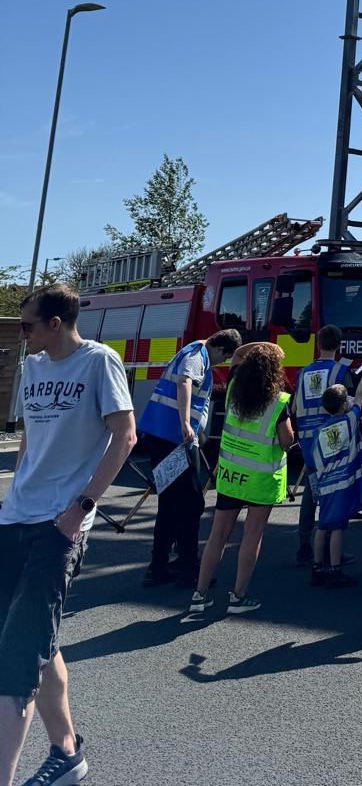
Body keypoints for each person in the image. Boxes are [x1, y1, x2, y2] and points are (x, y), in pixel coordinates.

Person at [0, 283, 136, 786]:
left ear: (55, 324)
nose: (22, 333)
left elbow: (125, 436)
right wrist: (12, 497)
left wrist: (81, 508)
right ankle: (67, 754)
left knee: (14, 662)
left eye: (28, 324)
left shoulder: (99, 363)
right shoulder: (31, 367)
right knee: (35, 639)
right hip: (15, 517)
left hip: (60, 525)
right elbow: (30, 442)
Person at [187, 342, 294, 620]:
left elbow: (236, 355)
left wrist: (264, 346)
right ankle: (238, 595)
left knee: (218, 535)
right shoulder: (278, 401)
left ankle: (200, 594)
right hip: (260, 480)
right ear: (273, 373)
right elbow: (286, 441)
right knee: (252, 536)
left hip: (231, 475)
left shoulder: (234, 388)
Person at [137, 326, 241, 587]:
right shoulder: (197, 355)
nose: (223, 363)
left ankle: (161, 566)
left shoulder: (197, 353)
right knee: (190, 501)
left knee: (173, 503)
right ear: (219, 348)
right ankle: (186, 566)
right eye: (224, 357)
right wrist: (185, 423)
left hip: (168, 437)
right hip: (174, 438)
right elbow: (184, 382)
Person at [292, 325, 352, 565]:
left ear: (318, 344)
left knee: (311, 491)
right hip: (333, 439)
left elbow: (296, 408)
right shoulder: (340, 371)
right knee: (333, 493)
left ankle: (304, 545)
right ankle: (329, 549)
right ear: (339, 346)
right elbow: (346, 405)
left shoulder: (303, 372)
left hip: (308, 440)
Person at [308, 382, 362, 589]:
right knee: (337, 527)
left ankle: (317, 568)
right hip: (342, 484)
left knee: (322, 525)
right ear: (344, 404)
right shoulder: (350, 420)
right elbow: (359, 397)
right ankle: (335, 569)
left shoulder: (320, 430)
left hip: (325, 483)